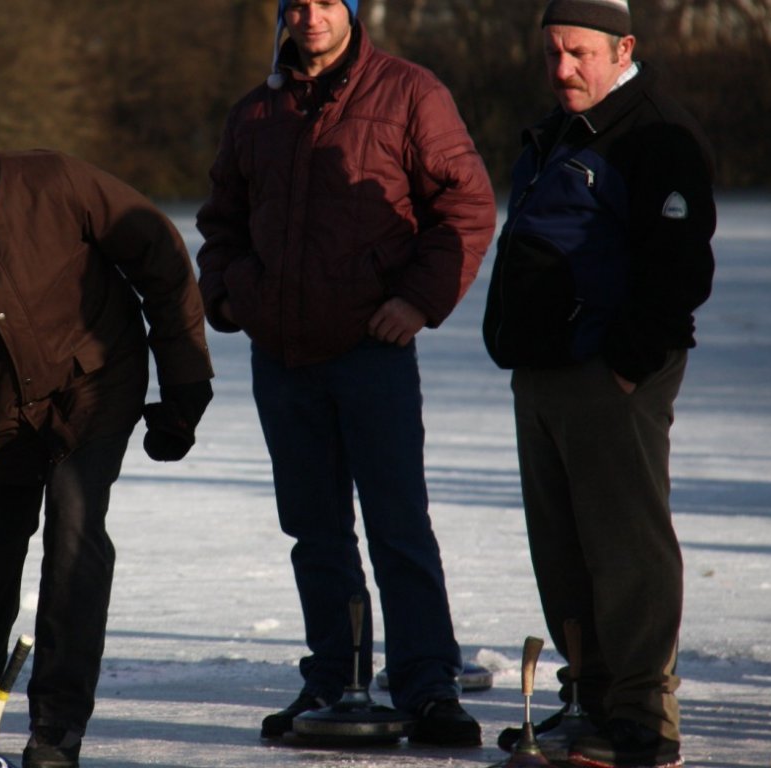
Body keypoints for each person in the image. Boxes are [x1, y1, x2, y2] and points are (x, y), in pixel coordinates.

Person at [0, 94, 215, 768]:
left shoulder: (50, 183)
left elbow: (159, 251)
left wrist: (184, 381)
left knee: (75, 527)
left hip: (94, 380)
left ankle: (57, 725)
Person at [196, 0, 496, 747]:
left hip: (372, 351)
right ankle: (335, 679)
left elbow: (467, 204)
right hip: (285, 358)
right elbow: (220, 222)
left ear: (352, 11)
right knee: (315, 531)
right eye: (298, 3)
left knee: (399, 525)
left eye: (328, 1)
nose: (311, 16)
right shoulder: (255, 113)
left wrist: (418, 302)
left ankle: (428, 686)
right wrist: (233, 293)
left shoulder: (408, 92)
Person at [481, 1, 715, 766]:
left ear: (623, 49)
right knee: (563, 548)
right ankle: (588, 699)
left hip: (611, 375)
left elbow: (680, 266)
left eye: (578, 52)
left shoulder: (655, 133)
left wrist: (628, 361)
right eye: (552, 53)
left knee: (625, 547)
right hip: (544, 372)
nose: (562, 69)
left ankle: (643, 718)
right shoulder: (558, 128)